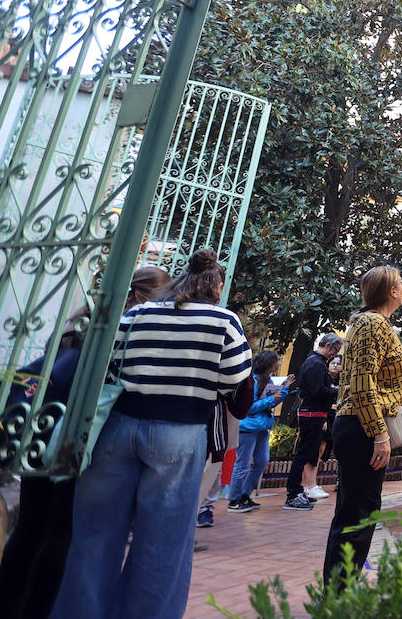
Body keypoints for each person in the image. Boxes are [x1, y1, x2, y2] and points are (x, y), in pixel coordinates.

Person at [49, 249, 253, 619]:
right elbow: (237, 388)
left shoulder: (139, 313)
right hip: (180, 433)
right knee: (162, 543)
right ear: (216, 285)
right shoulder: (224, 322)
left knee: (94, 537)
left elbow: (109, 365)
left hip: (120, 426)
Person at [0, 266, 170, 619]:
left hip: (40, 436)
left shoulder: (75, 326)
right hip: (78, 443)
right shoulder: (121, 335)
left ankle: (5, 606)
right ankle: (34, 611)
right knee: (61, 536)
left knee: (30, 528)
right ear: (142, 299)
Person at [323, 266, 402, 587]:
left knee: (359, 510)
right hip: (363, 428)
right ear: (391, 291)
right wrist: (379, 434)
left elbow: (378, 376)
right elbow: (363, 385)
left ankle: (342, 586)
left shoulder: (374, 324)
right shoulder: (373, 324)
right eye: (401, 284)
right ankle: (338, 594)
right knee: (356, 512)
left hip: (360, 425)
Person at [227, 350, 294, 512]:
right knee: (242, 464)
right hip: (248, 428)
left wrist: (283, 389)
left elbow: (270, 403)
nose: (278, 364)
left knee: (262, 461)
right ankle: (234, 500)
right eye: (276, 361)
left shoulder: (268, 380)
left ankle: (245, 494)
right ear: (268, 364)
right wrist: (272, 399)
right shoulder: (253, 381)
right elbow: (249, 407)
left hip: (262, 427)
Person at [284, 332, 344, 506]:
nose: (335, 354)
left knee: (307, 453)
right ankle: (293, 494)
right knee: (303, 454)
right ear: (327, 346)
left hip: (314, 414)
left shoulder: (315, 362)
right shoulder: (316, 364)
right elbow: (318, 391)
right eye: (335, 350)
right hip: (311, 414)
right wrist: (340, 392)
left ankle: (297, 491)